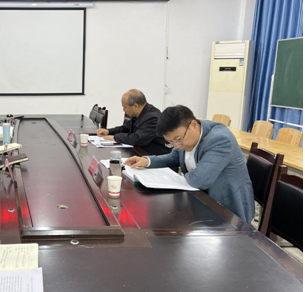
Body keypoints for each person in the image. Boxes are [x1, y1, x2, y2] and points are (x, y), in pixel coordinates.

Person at [126, 105, 255, 223]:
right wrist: (147, 161)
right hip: (201, 200)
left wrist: (175, 179)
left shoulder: (220, 139)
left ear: (194, 125)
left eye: (178, 139)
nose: (176, 145)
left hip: (227, 211)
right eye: (170, 142)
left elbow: (199, 179)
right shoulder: (186, 136)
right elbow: (174, 157)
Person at [97, 89, 171, 155]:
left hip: (154, 156)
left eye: (125, 107)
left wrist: (115, 137)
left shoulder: (153, 118)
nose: (123, 110)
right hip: (140, 152)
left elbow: (137, 139)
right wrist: (108, 131)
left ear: (135, 106)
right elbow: (125, 128)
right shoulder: (140, 113)